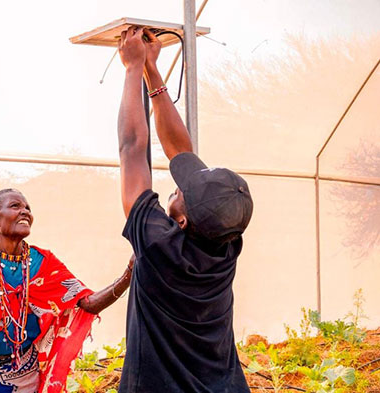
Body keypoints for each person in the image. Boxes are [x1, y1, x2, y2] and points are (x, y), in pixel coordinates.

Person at [115, 27, 254, 392]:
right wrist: (151, 70)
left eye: (182, 192)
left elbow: (132, 147)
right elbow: (181, 152)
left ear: (181, 219)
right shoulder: (225, 243)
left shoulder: (159, 246)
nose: (178, 184)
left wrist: (132, 69)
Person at [0, 189, 134, 393]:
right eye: (15, 206)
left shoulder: (44, 263)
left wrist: (128, 273)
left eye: (28, 208)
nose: (25, 212)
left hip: (26, 377)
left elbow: (87, 303)